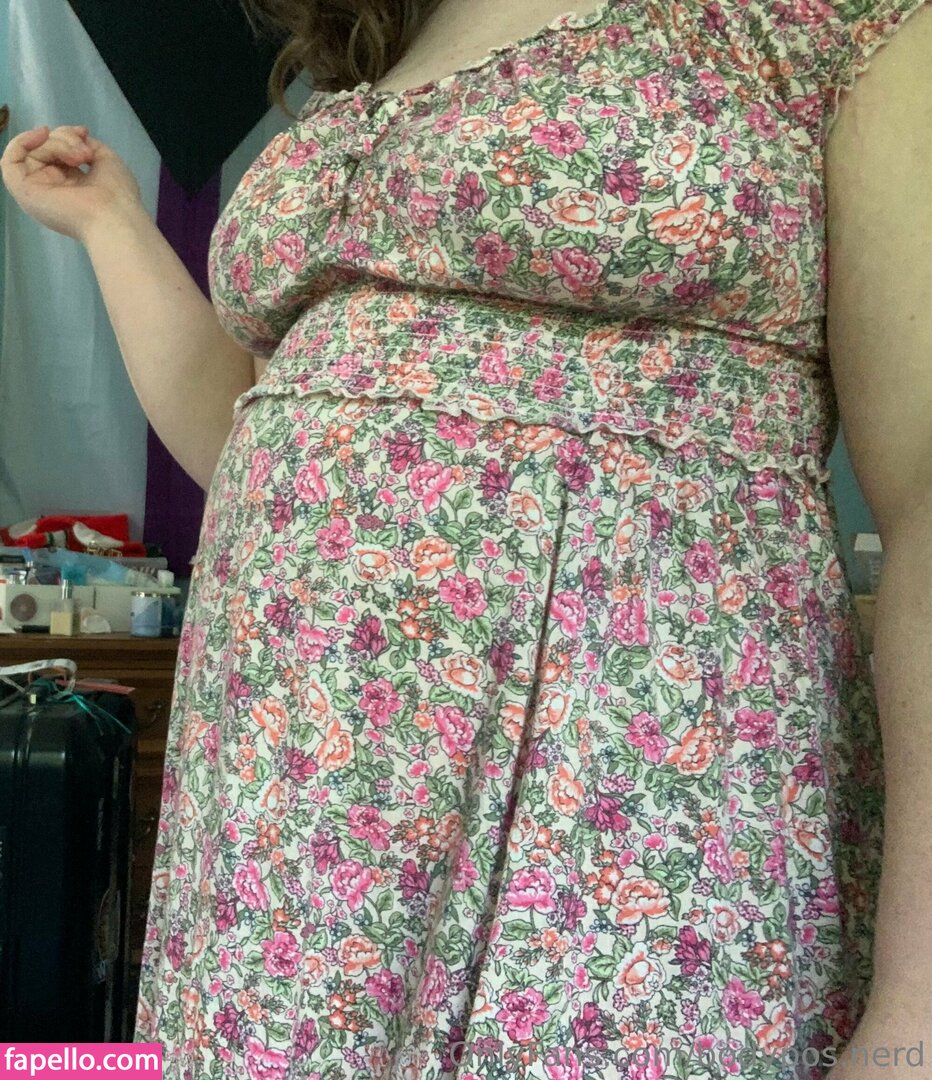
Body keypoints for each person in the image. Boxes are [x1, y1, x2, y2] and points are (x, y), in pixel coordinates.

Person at [3, 0, 932, 1076]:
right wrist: (112, 222)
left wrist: (911, 1023)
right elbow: (249, 432)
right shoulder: (380, 49)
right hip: (290, 822)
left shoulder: (825, 26)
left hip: (622, 808)